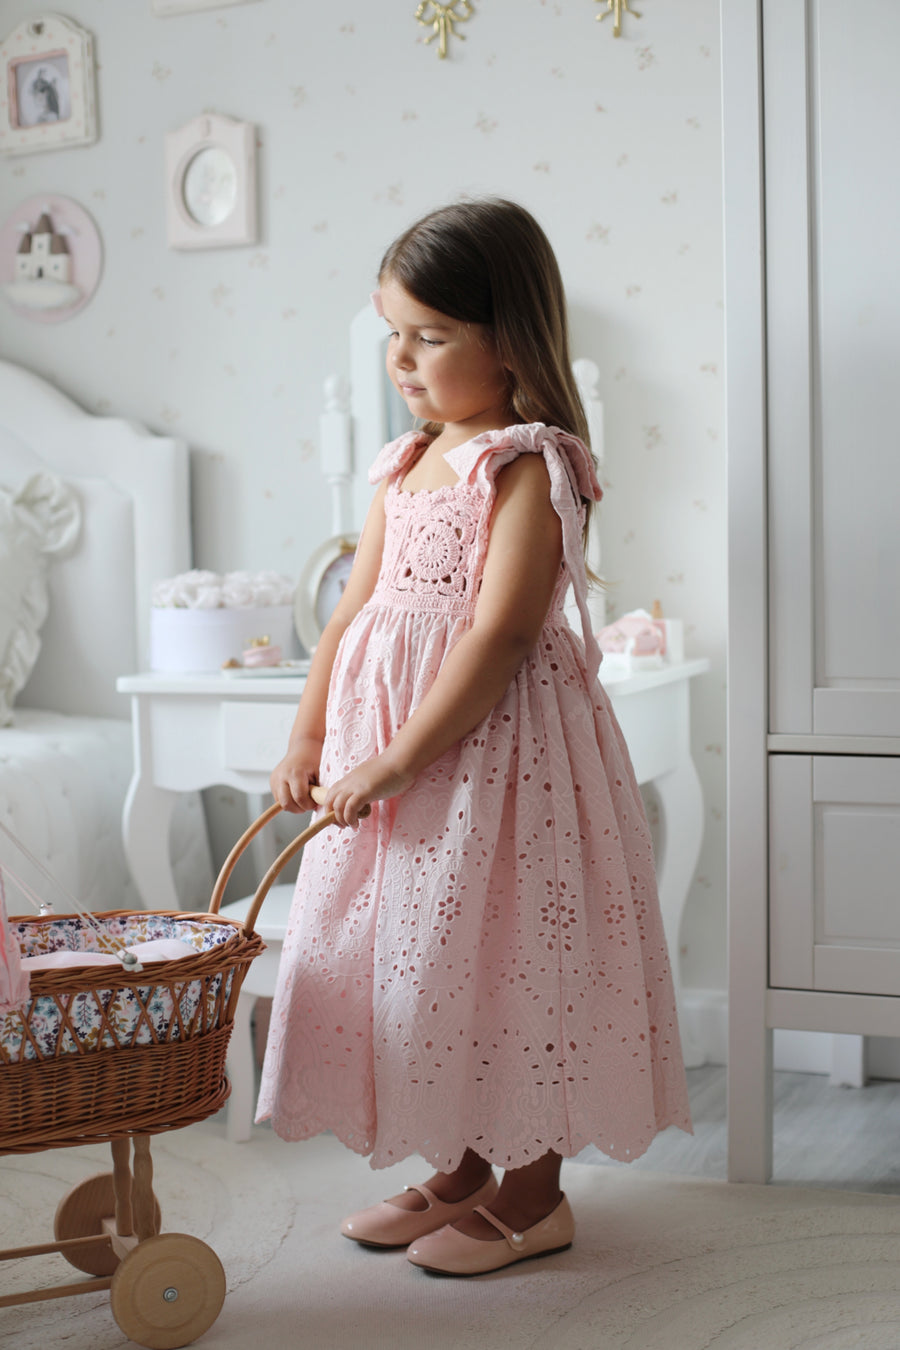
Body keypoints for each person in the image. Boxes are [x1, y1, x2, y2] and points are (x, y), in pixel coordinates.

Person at [258, 198, 691, 1276]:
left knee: (514, 960)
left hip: (500, 765)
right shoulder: (404, 462)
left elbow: (500, 634)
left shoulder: (529, 464)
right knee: (429, 967)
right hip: (397, 765)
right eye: (393, 334)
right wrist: (310, 734)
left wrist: (395, 758)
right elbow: (349, 616)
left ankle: (536, 1194)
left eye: (432, 335)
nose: (402, 359)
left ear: (509, 339)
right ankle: (458, 1170)